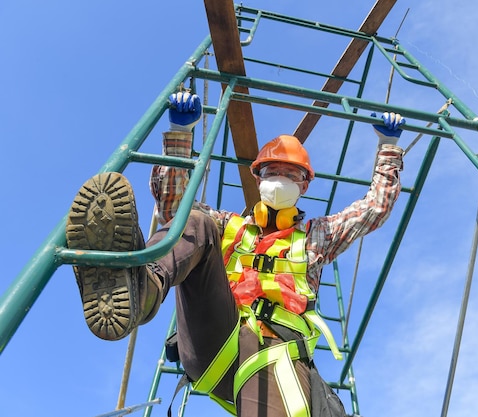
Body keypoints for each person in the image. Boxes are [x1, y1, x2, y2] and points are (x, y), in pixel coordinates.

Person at [65, 92, 406, 417]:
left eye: (291, 175)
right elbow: (175, 209)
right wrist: (180, 135)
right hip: (217, 338)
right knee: (194, 220)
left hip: (277, 357)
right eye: (273, 172)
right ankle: (142, 288)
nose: (281, 179)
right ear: (258, 179)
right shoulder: (229, 227)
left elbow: (373, 209)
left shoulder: (317, 236)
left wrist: (387, 148)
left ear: (304, 186)